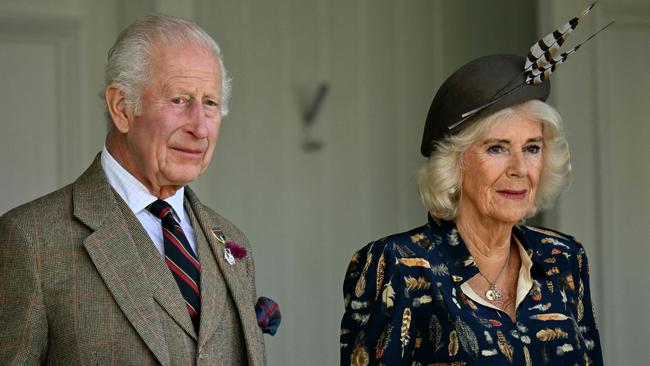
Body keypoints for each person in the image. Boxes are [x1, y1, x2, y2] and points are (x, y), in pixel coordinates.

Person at [0, 15, 266, 364]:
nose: (200, 128)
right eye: (179, 100)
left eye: (211, 103)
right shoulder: (30, 240)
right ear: (122, 107)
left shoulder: (233, 241)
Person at [340, 51, 605, 366]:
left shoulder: (563, 258)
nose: (520, 168)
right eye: (497, 148)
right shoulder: (398, 266)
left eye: (532, 147)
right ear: (455, 162)